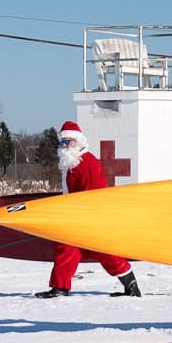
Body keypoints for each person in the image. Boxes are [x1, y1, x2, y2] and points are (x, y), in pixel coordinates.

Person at [35, 121, 142, 299]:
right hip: (74, 217)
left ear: (77, 141)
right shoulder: (72, 162)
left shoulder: (86, 162)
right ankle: (59, 287)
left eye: (67, 142)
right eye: (62, 142)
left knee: (105, 252)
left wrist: (89, 217)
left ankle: (131, 285)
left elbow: (94, 193)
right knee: (66, 249)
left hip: (90, 216)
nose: (64, 146)